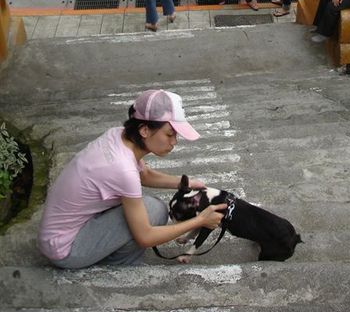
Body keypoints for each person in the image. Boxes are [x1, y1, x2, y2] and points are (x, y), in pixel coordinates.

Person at [38, 89, 227, 268]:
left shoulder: (117, 135)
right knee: (154, 211)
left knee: (149, 208)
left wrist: (184, 183)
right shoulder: (123, 170)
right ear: (144, 130)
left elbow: (143, 174)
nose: (174, 142)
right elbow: (145, 236)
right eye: (169, 134)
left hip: (59, 233)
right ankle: (116, 264)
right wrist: (200, 221)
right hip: (66, 249)